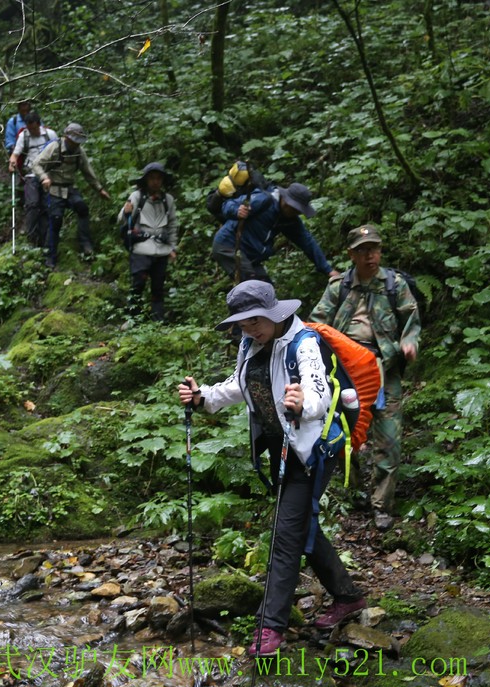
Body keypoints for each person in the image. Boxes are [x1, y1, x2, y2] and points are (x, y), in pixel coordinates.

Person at [177, 280, 366, 656]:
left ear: (274, 312)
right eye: (243, 324)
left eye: (256, 321)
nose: (250, 329)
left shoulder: (304, 344)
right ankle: (348, 597)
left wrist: (300, 404)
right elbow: (239, 385)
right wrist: (203, 398)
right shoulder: (250, 344)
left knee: (284, 535)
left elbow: (318, 393)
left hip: (312, 449)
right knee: (301, 525)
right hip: (282, 447)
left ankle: (270, 629)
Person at [309, 225, 421, 514]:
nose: (370, 255)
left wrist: (409, 343)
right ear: (352, 255)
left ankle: (382, 504)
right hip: (347, 371)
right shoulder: (340, 288)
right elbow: (316, 324)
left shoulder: (395, 285)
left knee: (389, 437)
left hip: (385, 368)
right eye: (363, 250)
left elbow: (411, 318)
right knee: (350, 433)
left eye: (374, 249)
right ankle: (355, 492)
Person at [211, 182, 339, 284]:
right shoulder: (264, 200)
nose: (296, 212)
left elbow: (307, 242)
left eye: (298, 210)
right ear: (285, 200)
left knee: (267, 291)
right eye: (294, 208)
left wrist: (328, 270)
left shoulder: (290, 219)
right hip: (229, 245)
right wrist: (237, 210)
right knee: (253, 289)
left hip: (251, 257)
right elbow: (228, 204)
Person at [30, 122, 111, 265]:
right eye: (73, 141)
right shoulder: (54, 147)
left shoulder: (79, 152)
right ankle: (50, 256)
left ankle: (86, 244)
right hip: (54, 188)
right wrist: (44, 177)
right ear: (67, 138)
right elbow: (35, 164)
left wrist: (99, 189)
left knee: (82, 208)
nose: (75, 144)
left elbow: (88, 172)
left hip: (70, 188)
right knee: (55, 220)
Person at [118, 162, 178, 321]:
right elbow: (122, 219)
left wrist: (173, 247)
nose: (155, 182)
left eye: (159, 178)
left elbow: (172, 225)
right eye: (152, 178)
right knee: (138, 284)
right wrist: (126, 211)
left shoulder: (168, 200)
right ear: (146, 180)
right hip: (141, 249)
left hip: (162, 250)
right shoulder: (137, 196)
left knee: (158, 287)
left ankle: (157, 321)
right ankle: (132, 318)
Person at [9, 111, 57, 247]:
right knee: (32, 204)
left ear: (39, 124)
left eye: (34, 128)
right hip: (30, 175)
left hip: (48, 175)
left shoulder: (50, 135)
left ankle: (44, 240)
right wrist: (12, 162)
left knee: (46, 207)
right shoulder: (24, 136)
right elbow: (15, 154)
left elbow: (58, 152)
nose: (32, 131)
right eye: (29, 128)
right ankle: (31, 239)